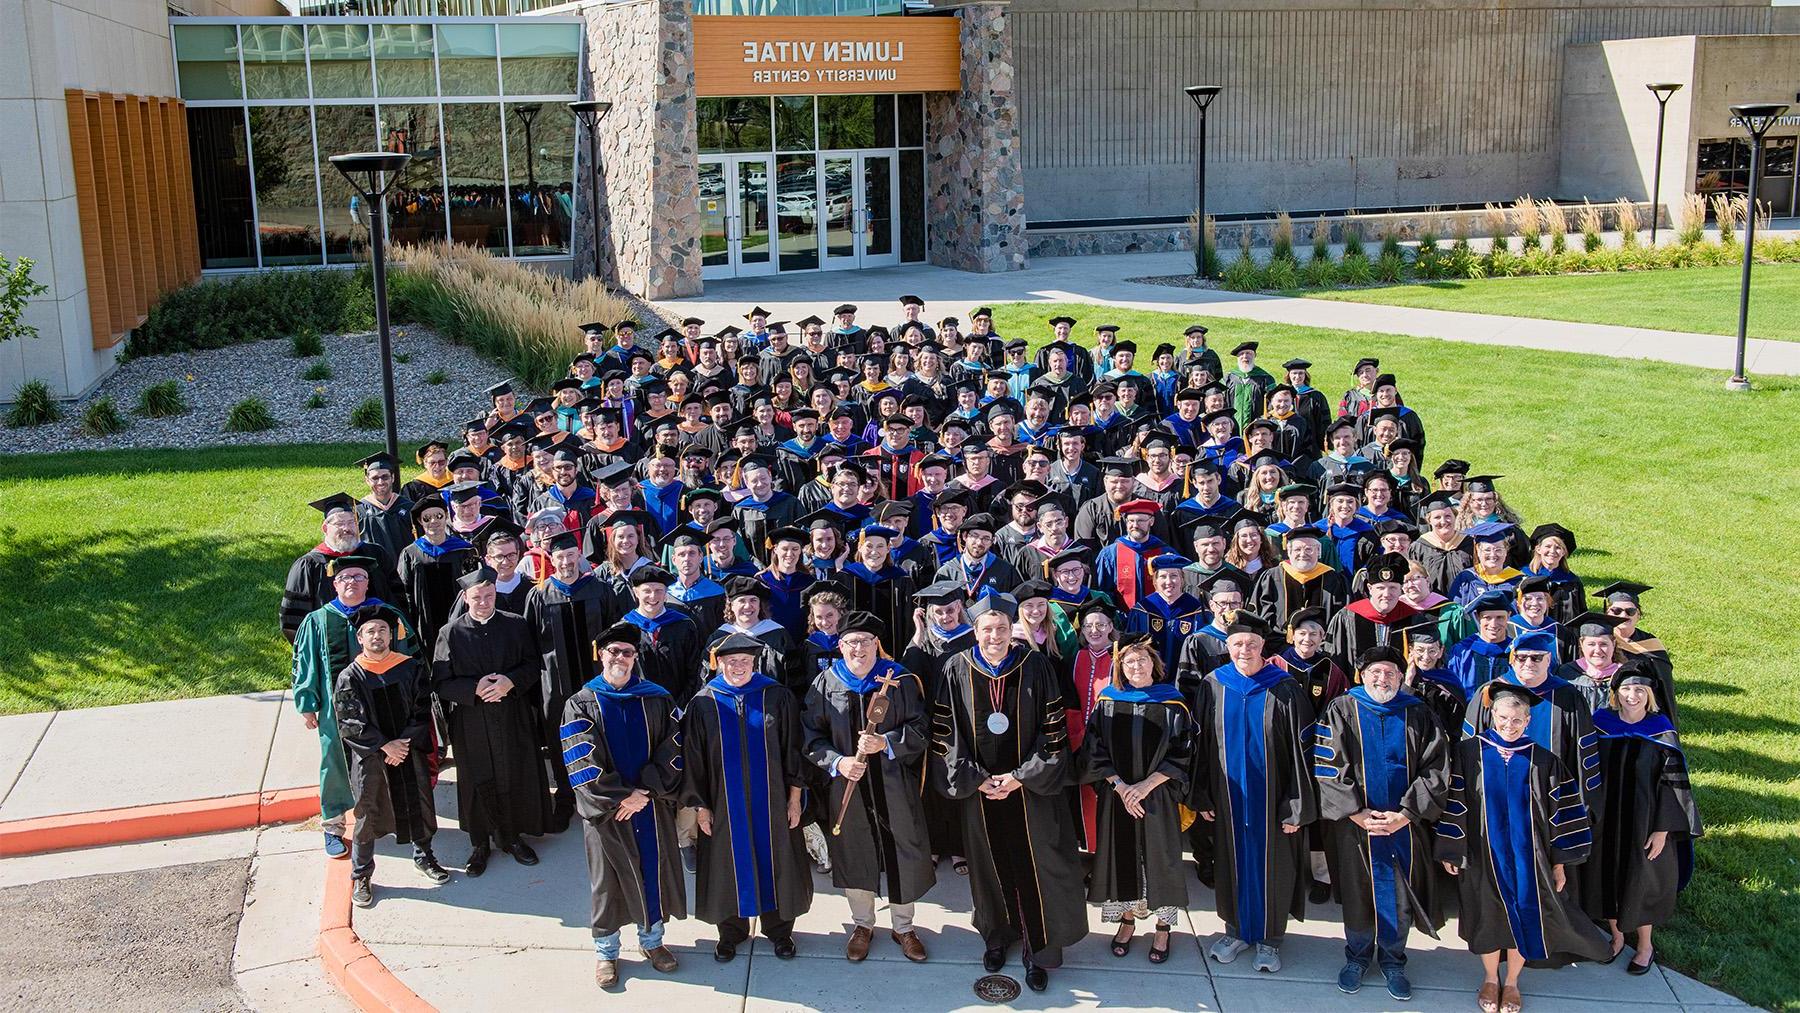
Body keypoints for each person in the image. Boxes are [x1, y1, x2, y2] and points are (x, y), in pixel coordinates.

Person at [929, 594, 1085, 992]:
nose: (995, 636)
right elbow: (945, 735)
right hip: (980, 791)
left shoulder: (1036, 666)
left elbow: (1054, 732)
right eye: (987, 629)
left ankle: (1038, 946)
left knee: (1038, 866)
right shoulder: (955, 668)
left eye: (1001, 629)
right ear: (974, 631)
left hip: (1029, 790)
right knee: (988, 864)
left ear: (1011, 630)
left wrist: (1020, 776)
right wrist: (975, 778)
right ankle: (997, 934)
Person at [1438, 684, 1612, 1013]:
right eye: (1503, 718)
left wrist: (1559, 865)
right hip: (1482, 855)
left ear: (1528, 721)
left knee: (1526, 916)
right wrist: (1452, 849)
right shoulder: (1467, 752)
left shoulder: (1545, 760)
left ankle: (1513, 982)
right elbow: (1454, 803)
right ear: (1492, 715)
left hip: (1530, 860)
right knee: (1487, 916)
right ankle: (1491, 977)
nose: (1509, 725)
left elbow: (1564, 816)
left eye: (1517, 720)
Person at [1313, 645, 1451, 1001]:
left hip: (1403, 826)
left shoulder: (1418, 712)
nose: (1382, 678)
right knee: (1359, 894)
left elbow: (1436, 767)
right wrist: (1357, 813)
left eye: (1390, 672)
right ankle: (1356, 957)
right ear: (1362, 675)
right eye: (1375, 671)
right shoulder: (1342, 708)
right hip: (1356, 825)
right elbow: (1328, 766)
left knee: (1398, 897)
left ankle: (1393, 961)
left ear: (1401, 677)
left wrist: (1406, 814)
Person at [802, 611, 935, 963]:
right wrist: (838, 761)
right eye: (850, 641)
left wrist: (888, 743)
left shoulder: (900, 680)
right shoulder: (826, 683)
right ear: (840, 645)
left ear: (877, 644)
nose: (857, 648)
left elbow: (922, 728)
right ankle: (863, 925)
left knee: (901, 852)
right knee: (855, 851)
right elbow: (811, 737)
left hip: (893, 785)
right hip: (849, 785)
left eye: (864, 641)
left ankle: (904, 927)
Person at [559, 621, 686, 988]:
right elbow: (581, 762)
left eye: (627, 652)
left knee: (653, 871)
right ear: (601, 655)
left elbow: (674, 746)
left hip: (650, 804)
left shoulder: (657, 697)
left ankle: (653, 943)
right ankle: (606, 952)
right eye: (613, 651)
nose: (620, 657)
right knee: (607, 882)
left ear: (635, 657)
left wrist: (645, 792)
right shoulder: (581, 702)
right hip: (606, 812)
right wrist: (620, 797)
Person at [1190, 610, 1317, 973]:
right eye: (1237, 643)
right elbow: (1199, 745)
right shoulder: (1214, 684)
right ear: (1227, 646)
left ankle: (1270, 939)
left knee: (1273, 864)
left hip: (1272, 800)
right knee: (1229, 861)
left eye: (1252, 644)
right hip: (1228, 798)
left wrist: (1296, 807)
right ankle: (1236, 931)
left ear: (1264, 647)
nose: (1244, 649)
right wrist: (1202, 795)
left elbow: (1301, 751)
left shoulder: (1284, 687)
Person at [682, 632, 814, 962]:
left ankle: (780, 932)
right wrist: (700, 807)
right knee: (726, 863)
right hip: (723, 803)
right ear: (719, 664)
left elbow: (793, 751)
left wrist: (795, 797)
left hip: (773, 800)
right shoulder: (704, 702)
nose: (738, 667)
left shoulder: (776, 696)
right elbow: (694, 758)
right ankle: (731, 932)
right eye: (730, 661)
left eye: (744, 661)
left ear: (755, 662)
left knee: (777, 860)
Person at [1080, 633, 1196, 966]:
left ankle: (1163, 927)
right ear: (1121, 667)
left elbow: (1183, 750)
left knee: (1161, 859)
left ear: (1154, 664)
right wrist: (1119, 786)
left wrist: (1145, 787)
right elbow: (1093, 749)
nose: (1136, 666)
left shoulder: (1172, 701)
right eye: (1129, 662)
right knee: (1122, 857)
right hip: (1118, 798)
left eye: (1142, 660)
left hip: (1157, 796)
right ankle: (1128, 919)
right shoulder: (1108, 700)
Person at [291, 556, 418, 858]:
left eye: (359, 577)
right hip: (335, 710)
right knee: (334, 762)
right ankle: (333, 825)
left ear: (368, 582)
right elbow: (305, 663)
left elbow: (409, 659)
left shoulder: (387, 615)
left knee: (385, 759)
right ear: (335, 584)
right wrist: (307, 702)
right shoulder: (319, 620)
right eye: (345, 577)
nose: (352, 582)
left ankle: (388, 819)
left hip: (383, 705)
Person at [1582, 666, 1702, 974]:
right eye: (1625, 690)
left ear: (1649, 696)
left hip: (1645, 822)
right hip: (1607, 818)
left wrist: (1663, 829)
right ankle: (1618, 937)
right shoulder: (1601, 725)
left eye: (1639, 691)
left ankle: (1645, 945)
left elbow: (1673, 784)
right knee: (1606, 874)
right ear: (1615, 693)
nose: (1632, 696)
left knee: (1640, 879)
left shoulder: (1660, 731)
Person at [431, 568, 550, 874]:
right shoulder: (451, 633)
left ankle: (511, 838)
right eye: (476, 597)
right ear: (465, 597)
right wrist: (474, 689)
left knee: (513, 773)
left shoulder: (515, 625)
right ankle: (480, 843)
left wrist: (510, 682)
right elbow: (441, 682)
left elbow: (532, 664)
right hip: (472, 720)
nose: (483, 602)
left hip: (512, 714)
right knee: (477, 778)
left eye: (489, 596)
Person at [334, 606, 447, 908]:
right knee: (368, 813)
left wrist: (403, 743)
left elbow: (423, 709)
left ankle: (425, 857)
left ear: (390, 635)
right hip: (371, 758)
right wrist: (386, 746)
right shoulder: (350, 677)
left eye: (382, 630)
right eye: (370, 631)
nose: (377, 636)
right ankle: (361, 873)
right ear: (360, 637)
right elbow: (350, 723)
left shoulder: (409, 667)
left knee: (419, 803)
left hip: (409, 751)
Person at [522, 530, 619, 831]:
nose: (565, 561)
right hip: (556, 682)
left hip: (596, 680)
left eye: (570, 555)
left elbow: (613, 633)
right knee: (560, 737)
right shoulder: (539, 595)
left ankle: (602, 792)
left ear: (579, 555)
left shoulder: (600, 590)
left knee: (602, 734)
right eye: (559, 556)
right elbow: (530, 643)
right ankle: (566, 796)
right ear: (551, 559)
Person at [281, 493, 403, 642]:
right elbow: (293, 620)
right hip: (331, 646)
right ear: (325, 528)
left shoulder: (376, 554)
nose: (347, 528)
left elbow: (398, 599)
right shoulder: (308, 565)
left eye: (351, 522)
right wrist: (312, 651)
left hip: (380, 646)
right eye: (339, 523)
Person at [1250, 525, 1347, 629]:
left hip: (1324, 643)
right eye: (1297, 549)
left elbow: (1341, 618)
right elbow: (1262, 617)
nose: (1302, 554)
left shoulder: (1334, 579)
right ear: (1289, 552)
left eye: (1309, 549)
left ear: (1318, 551)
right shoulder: (1272, 577)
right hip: (1279, 643)